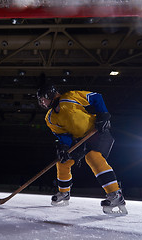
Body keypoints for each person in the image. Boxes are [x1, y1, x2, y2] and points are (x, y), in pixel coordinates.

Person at [36, 85, 127, 214]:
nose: (41, 103)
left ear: (48, 95)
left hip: (96, 132)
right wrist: (64, 147)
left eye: (41, 99)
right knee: (62, 162)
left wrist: (103, 114)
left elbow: (96, 97)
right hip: (78, 140)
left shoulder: (70, 97)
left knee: (93, 157)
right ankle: (64, 193)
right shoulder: (50, 118)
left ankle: (115, 195)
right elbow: (63, 135)